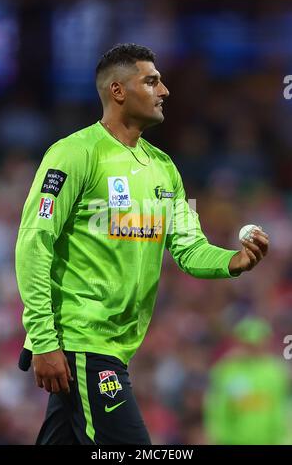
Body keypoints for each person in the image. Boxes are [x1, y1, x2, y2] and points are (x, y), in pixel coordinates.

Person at [15, 43, 269, 445]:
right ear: (118, 91)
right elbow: (33, 244)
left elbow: (188, 246)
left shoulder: (165, 169)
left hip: (115, 349)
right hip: (82, 342)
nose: (164, 90)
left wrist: (232, 261)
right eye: (151, 81)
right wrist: (44, 340)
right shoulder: (75, 154)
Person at [204, 317, 290, 445]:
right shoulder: (227, 371)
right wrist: (218, 435)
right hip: (233, 441)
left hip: (270, 441)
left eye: (258, 342)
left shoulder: (276, 372)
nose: (253, 347)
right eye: (248, 342)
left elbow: (283, 407)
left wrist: (285, 438)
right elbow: (217, 406)